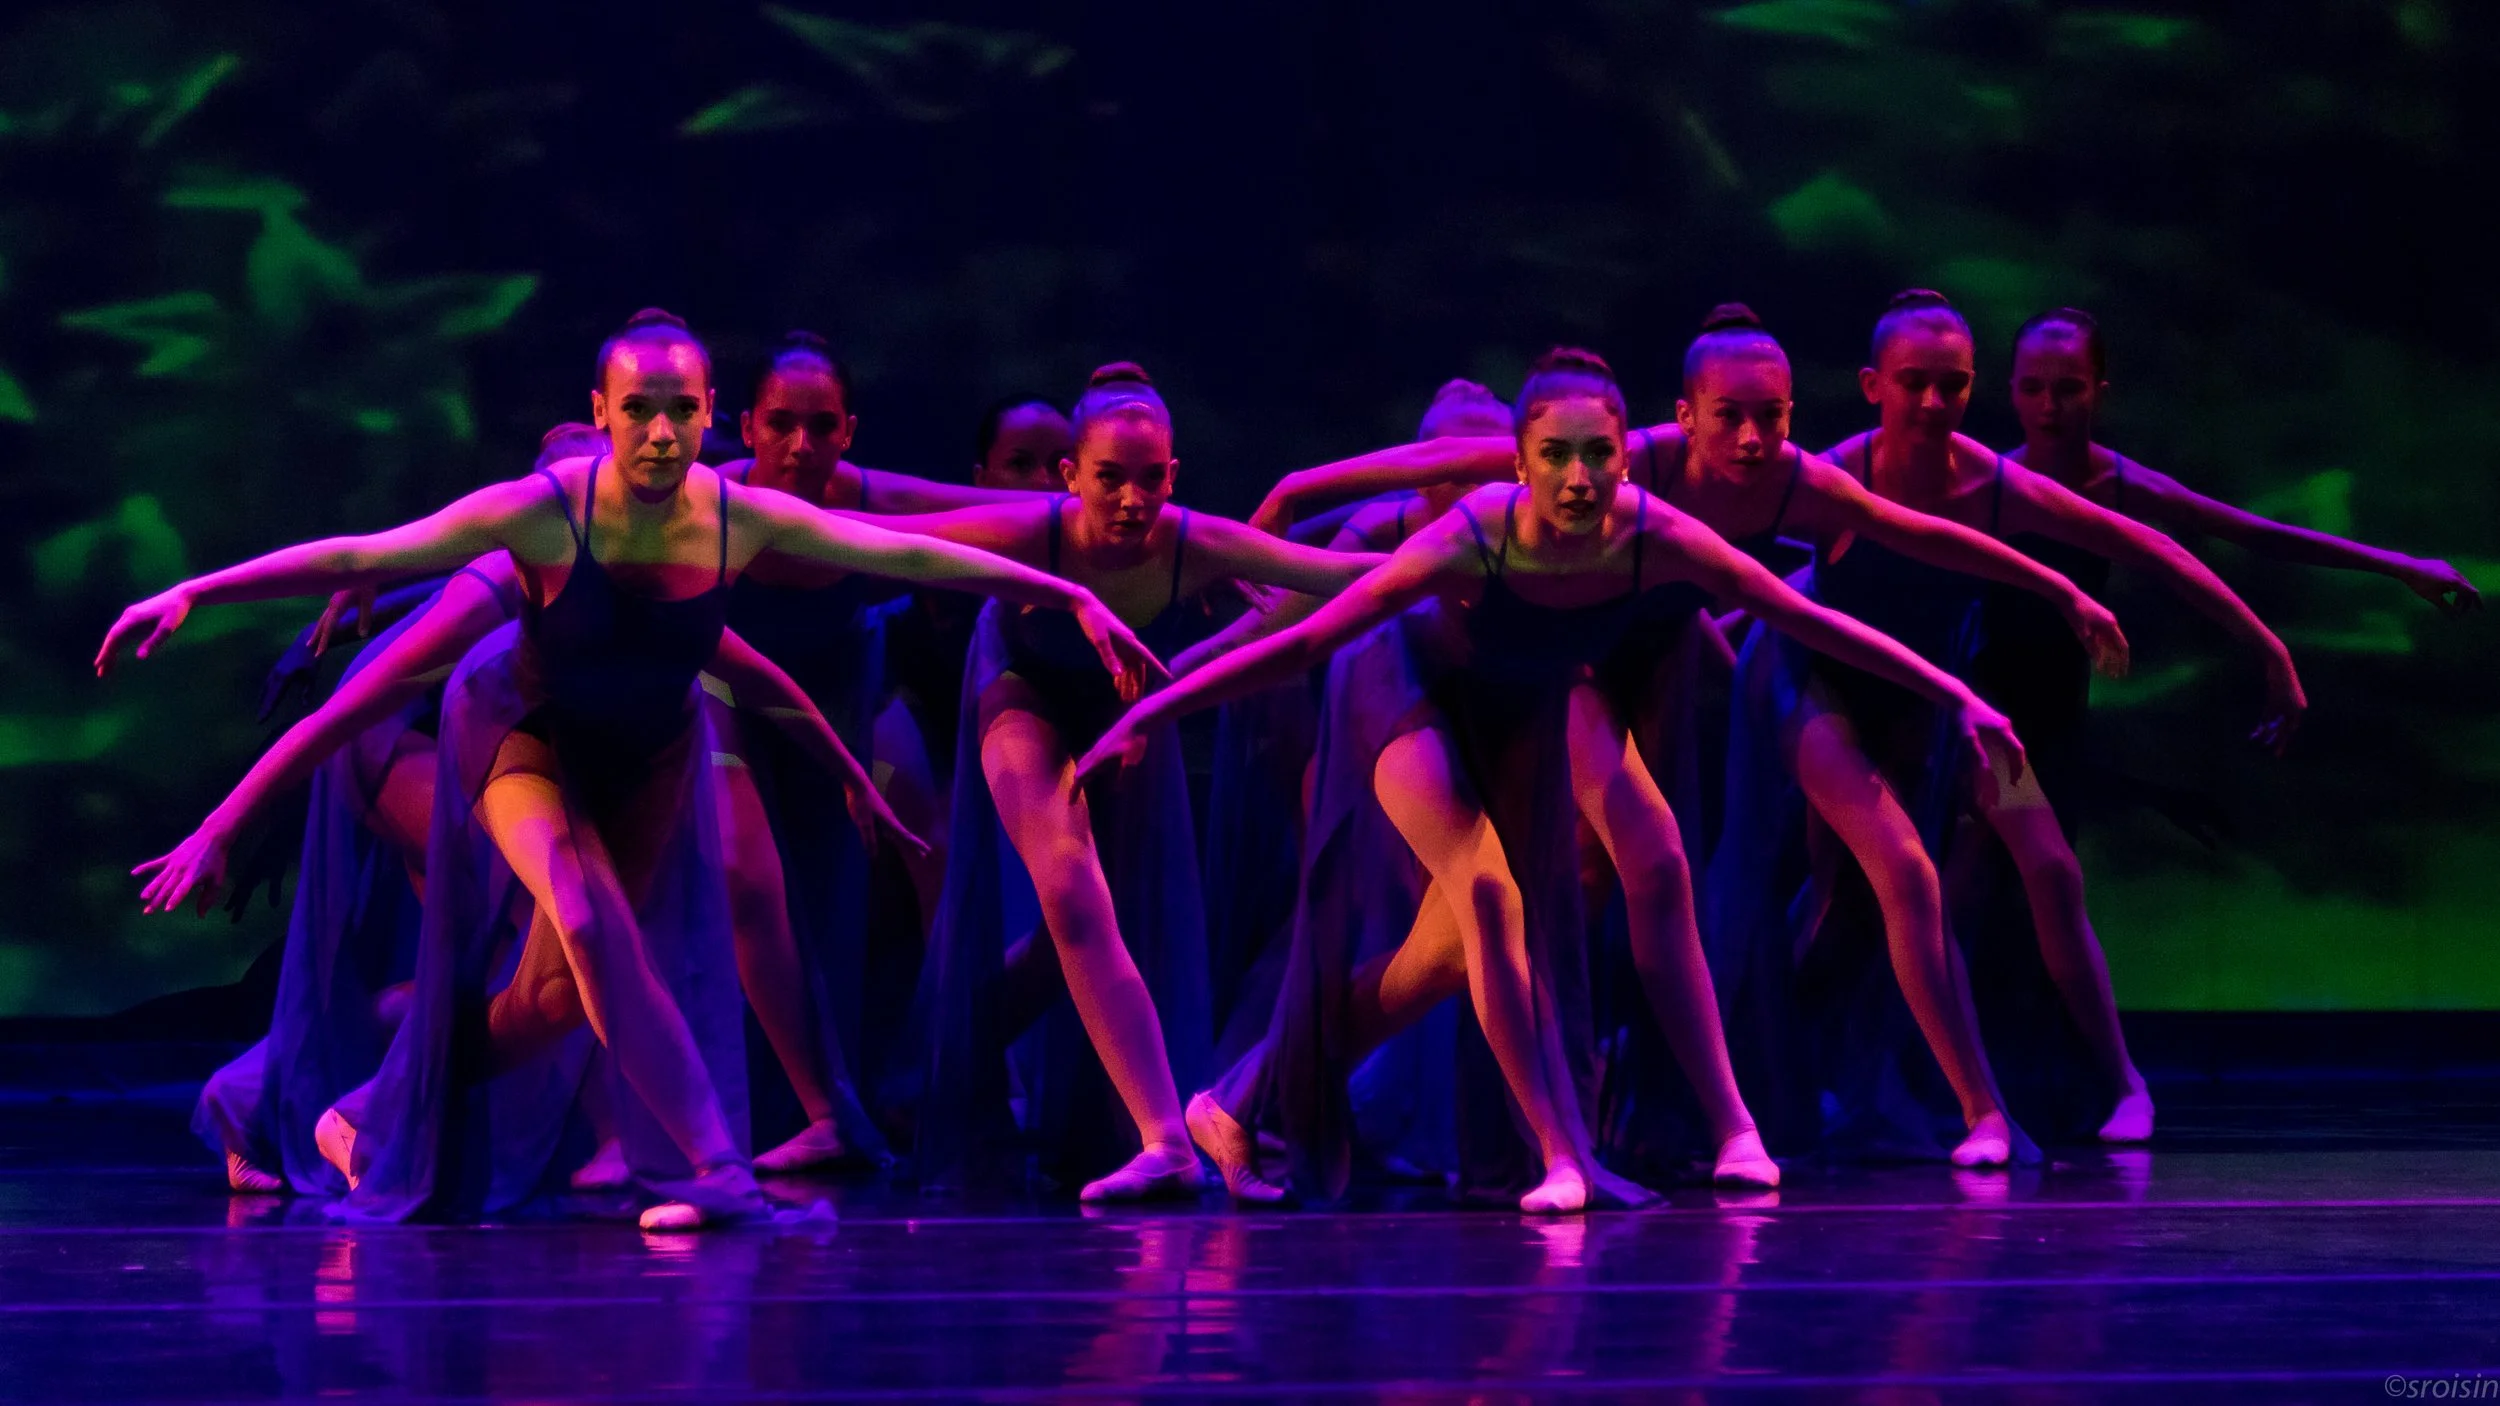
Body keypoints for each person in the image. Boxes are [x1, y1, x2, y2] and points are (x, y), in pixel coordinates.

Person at [98, 308, 1157, 1228]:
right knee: (589, 917)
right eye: (639, 409)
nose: (661, 431)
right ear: (600, 412)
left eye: (682, 412)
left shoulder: (735, 519)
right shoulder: (546, 513)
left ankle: (368, 1108)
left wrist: (1067, 593)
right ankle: (715, 1169)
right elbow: (365, 558)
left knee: (551, 1000)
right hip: (523, 740)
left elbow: (906, 556)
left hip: (647, 759)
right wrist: (200, 598)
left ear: (712, 419)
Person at [1074, 348, 2027, 1211]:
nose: (1581, 478)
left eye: (1600, 455)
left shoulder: (1654, 535)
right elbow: (1313, 638)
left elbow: (1808, 620)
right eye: (1558, 456)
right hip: (1403, 690)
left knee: (1445, 956)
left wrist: (1960, 698)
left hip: (1516, 708)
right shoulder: (1473, 534)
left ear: (1626, 453)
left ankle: (1237, 1101)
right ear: (1520, 463)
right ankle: (1559, 1156)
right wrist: (1152, 710)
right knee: (1489, 893)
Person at [866, 362, 1385, 1201]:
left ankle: (1003, 1068)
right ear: (1072, 477)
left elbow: (1340, 580)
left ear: (1174, 478)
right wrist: (752, 512)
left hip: (1123, 707)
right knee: (1070, 885)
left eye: (1151, 481)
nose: (1131, 501)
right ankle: (1165, 1139)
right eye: (1110, 479)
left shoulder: (1195, 543)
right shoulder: (1039, 531)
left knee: (1107, 915)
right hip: (1021, 687)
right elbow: (900, 530)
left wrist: (1476, 560)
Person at [1804, 290, 2307, 1148]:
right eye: (1914, 383)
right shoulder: (1835, 473)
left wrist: (2271, 649)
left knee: (2048, 868)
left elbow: (2150, 545)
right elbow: (1730, 549)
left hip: (1966, 717)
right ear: (1873, 386)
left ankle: (2117, 1084)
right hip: (1846, 706)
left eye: (1950, 385)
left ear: (1970, 389)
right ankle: (1845, 1080)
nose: (1932, 403)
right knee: (1848, 898)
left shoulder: (1992, 484)